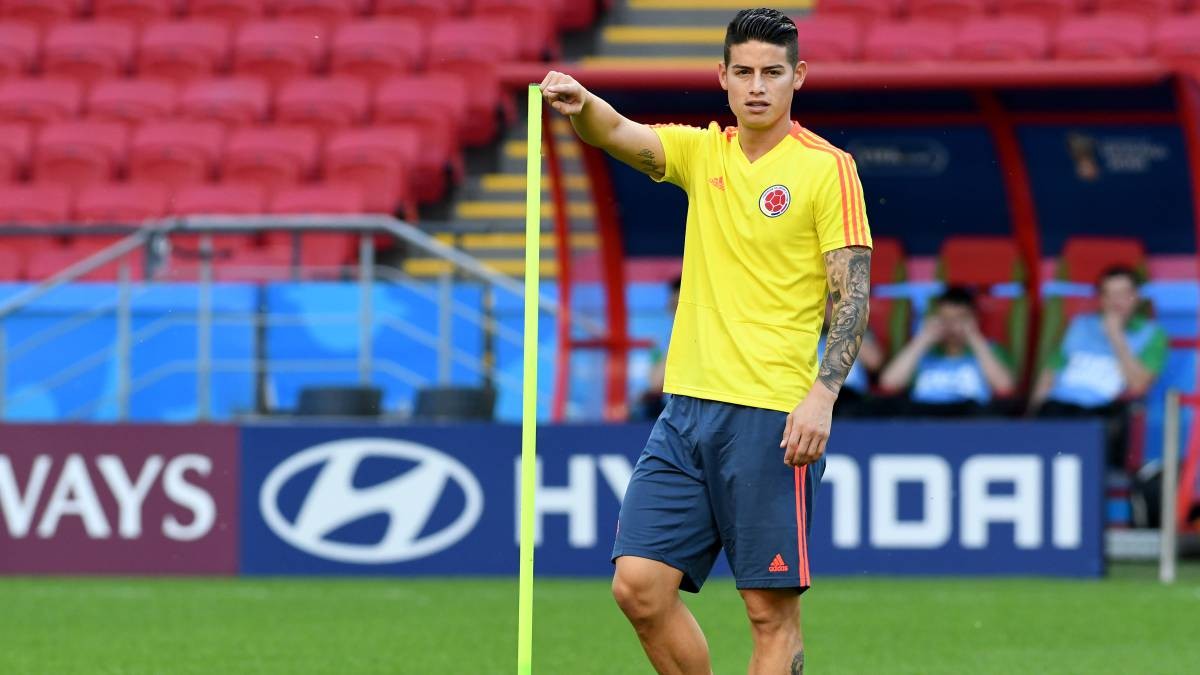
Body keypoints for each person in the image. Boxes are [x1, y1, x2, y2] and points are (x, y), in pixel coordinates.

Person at [541, 8, 872, 673]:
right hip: (685, 410)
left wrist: (823, 395)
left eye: (772, 73)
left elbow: (853, 295)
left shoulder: (827, 168)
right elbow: (618, 133)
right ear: (722, 77)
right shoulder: (703, 153)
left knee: (768, 613)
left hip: (772, 414)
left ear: (798, 77)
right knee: (638, 585)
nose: (757, 86)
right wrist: (582, 103)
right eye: (743, 72)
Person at [1030, 266, 1168, 469]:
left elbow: (1138, 385)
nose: (1116, 301)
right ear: (1101, 299)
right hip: (1059, 407)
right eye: (1109, 294)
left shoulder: (1152, 334)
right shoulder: (1080, 325)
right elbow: (1050, 373)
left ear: (1137, 297)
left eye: (1123, 293)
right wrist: (1030, 415)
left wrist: (1116, 336)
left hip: (1104, 409)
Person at [878, 286, 1016, 416]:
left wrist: (975, 339)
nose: (951, 325)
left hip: (969, 417)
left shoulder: (990, 350)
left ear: (974, 319)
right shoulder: (922, 352)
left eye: (960, 318)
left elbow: (1004, 387)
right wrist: (922, 339)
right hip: (924, 415)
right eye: (945, 318)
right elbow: (889, 383)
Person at [636, 275, 682, 421]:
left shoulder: (706, 337)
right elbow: (655, 382)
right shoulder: (661, 342)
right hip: (673, 414)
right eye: (674, 305)